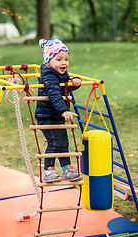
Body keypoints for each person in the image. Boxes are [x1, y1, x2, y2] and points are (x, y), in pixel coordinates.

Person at [35, 39, 83, 183]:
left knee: (64, 143)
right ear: (48, 62)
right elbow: (54, 93)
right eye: (59, 59)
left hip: (57, 114)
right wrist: (63, 111)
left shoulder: (60, 72)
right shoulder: (49, 75)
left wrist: (74, 82)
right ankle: (47, 171)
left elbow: (64, 86)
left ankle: (66, 168)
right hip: (47, 115)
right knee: (55, 142)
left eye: (66, 59)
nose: (64, 63)